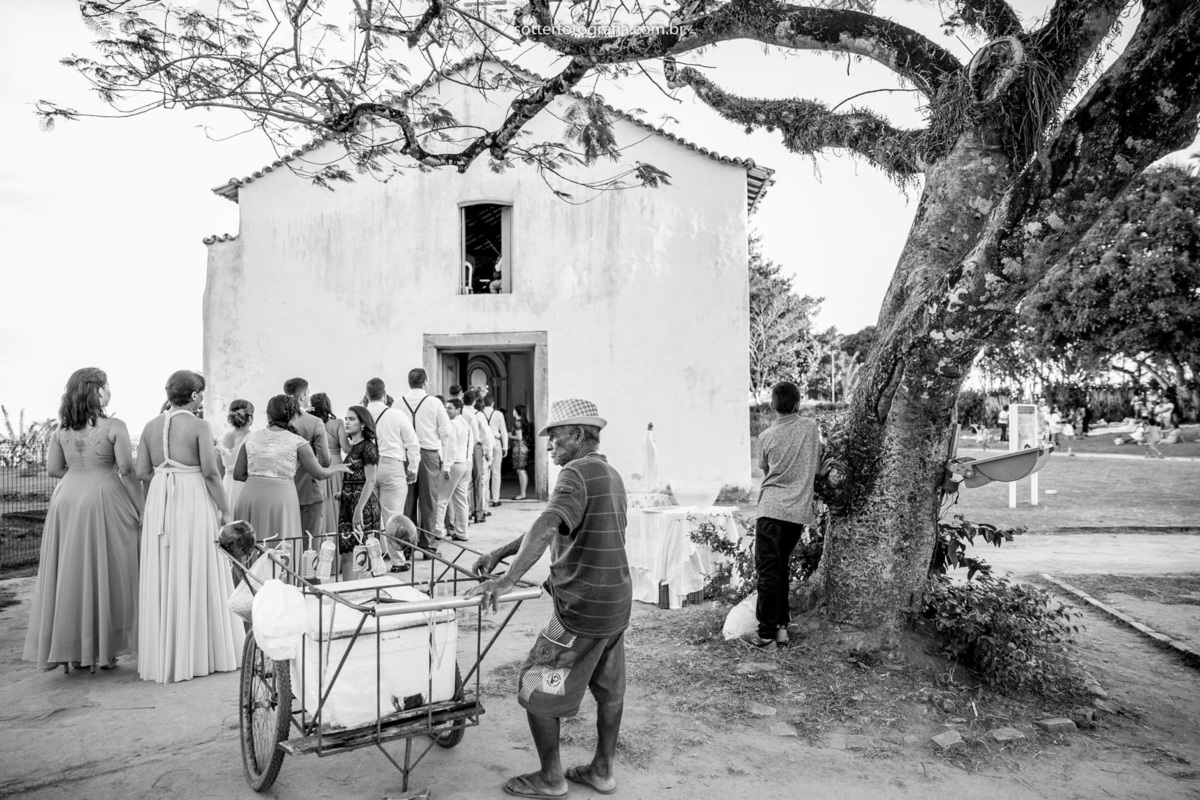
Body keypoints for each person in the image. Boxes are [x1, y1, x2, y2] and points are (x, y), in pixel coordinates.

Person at [468, 398, 630, 798]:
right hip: (615, 604)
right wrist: (502, 551)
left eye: (555, 437)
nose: (550, 446)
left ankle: (551, 778)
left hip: (580, 608)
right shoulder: (609, 473)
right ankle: (602, 772)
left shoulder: (575, 473)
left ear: (577, 434)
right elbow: (556, 527)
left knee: (534, 684)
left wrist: (506, 581)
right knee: (610, 690)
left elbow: (546, 524)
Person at [23, 368, 141, 673]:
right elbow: (127, 471)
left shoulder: (61, 430)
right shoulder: (115, 426)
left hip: (66, 498)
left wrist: (80, 474)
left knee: (70, 570)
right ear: (98, 391)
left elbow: (54, 469)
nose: (110, 390)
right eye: (107, 386)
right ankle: (104, 651)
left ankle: (73, 652)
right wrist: (141, 509)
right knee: (112, 566)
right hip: (102, 497)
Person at [136, 370, 243, 683]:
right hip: (192, 498)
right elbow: (210, 472)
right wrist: (226, 510)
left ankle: (167, 654)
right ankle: (201, 653)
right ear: (195, 395)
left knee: (166, 568)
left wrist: (163, 482)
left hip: (160, 499)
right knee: (198, 564)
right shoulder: (199, 425)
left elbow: (142, 472)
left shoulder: (150, 426)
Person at [745, 380, 823, 649]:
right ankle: (780, 630)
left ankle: (765, 634)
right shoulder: (810, 427)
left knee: (768, 573)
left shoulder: (766, 436)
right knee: (780, 570)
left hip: (771, 511)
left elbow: (767, 471)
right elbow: (816, 466)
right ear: (798, 404)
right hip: (797, 515)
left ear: (772, 406)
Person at [233, 395, 349, 548]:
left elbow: (238, 474)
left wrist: (261, 479)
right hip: (280, 498)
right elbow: (319, 473)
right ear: (294, 415)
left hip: (249, 497)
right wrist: (339, 467)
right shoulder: (297, 442)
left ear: (269, 415)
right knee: (279, 545)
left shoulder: (251, 438)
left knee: (250, 544)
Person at [365, 378, 420, 561]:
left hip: (367, 467)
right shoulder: (396, 415)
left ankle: (374, 559)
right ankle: (397, 560)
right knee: (393, 516)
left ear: (366, 395)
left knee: (371, 516)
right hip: (392, 466)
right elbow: (412, 443)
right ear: (384, 394)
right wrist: (413, 468)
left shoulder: (360, 414)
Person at [401, 368, 452, 552]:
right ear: (425, 382)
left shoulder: (399, 403)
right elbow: (446, 431)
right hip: (429, 454)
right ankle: (428, 545)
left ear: (409, 382)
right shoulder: (434, 402)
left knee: (407, 502)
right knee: (429, 501)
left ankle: (407, 545)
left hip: (406, 455)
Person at [337, 406, 388, 577]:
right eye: (346, 418)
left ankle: (366, 589)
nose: (347, 422)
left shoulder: (367, 447)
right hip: (348, 504)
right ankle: (347, 590)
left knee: (365, 555)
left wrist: (358, 509)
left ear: (363, 424)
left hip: (363, 507)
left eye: (352, 419)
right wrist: (344, 493)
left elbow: (371, 480)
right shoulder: (354, 446)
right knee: (346, 552)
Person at [284, 378, 330, 537]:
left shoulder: (276, 422)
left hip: (282, 493)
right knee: (310, 543)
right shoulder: (314, 422)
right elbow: (325, 461)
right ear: (303, 395)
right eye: (308, 393)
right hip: (308, 493)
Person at [436, 398, 474, 541]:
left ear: (458, 410)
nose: (447, 410)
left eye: (450, 408)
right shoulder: (466, 424)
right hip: (465, 463)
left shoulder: (453, 424)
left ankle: (438, 531)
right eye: (446, 408)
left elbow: (450, 447)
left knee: (442, 499)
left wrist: (446, 466)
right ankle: (462, 532)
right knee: (461, 500)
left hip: (454, 464)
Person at [310, 393, 348, 534]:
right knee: (337, 501)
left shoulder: (311, 423)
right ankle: (337, 535)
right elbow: (346, 448)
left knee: (322, 501)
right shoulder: (338, 423)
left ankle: (321, 536)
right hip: (336, 464)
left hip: (317, 463)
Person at [462, 388, 493, 524]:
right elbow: (485, 435)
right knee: (478, 480)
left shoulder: (460, 412)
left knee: (465, 481)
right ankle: (478, 512)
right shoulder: (477, 414)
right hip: (475, 447)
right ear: (474, 401)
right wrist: (488, 453)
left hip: (462, 447)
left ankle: (467, 511)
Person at [219, 399, 254, 514]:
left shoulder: (224, 438)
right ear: (250, 418)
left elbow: (219, 470)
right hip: (244, 486)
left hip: (226, 486)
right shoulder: (252, 438)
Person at [483, 394, 509, 507]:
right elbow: (503, 431)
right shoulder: (498, 414)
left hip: (484, 443)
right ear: (493, 403)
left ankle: (485, 499)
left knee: (485, 472)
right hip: (496, 441)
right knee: (496, 472)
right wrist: (505, 447)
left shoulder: (480, 413)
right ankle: (495, 499)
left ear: (483, 403)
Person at [510, 405, 532, 500]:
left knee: (521, 471)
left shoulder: (517, 423)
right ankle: (523, 493)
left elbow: (519, 437)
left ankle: (523, 494)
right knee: (522, 470)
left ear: (516, 412)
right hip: (524, 447)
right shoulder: (524, 422)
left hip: (519, 448)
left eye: (514, 409)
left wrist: (507, 435)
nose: (513, 411)